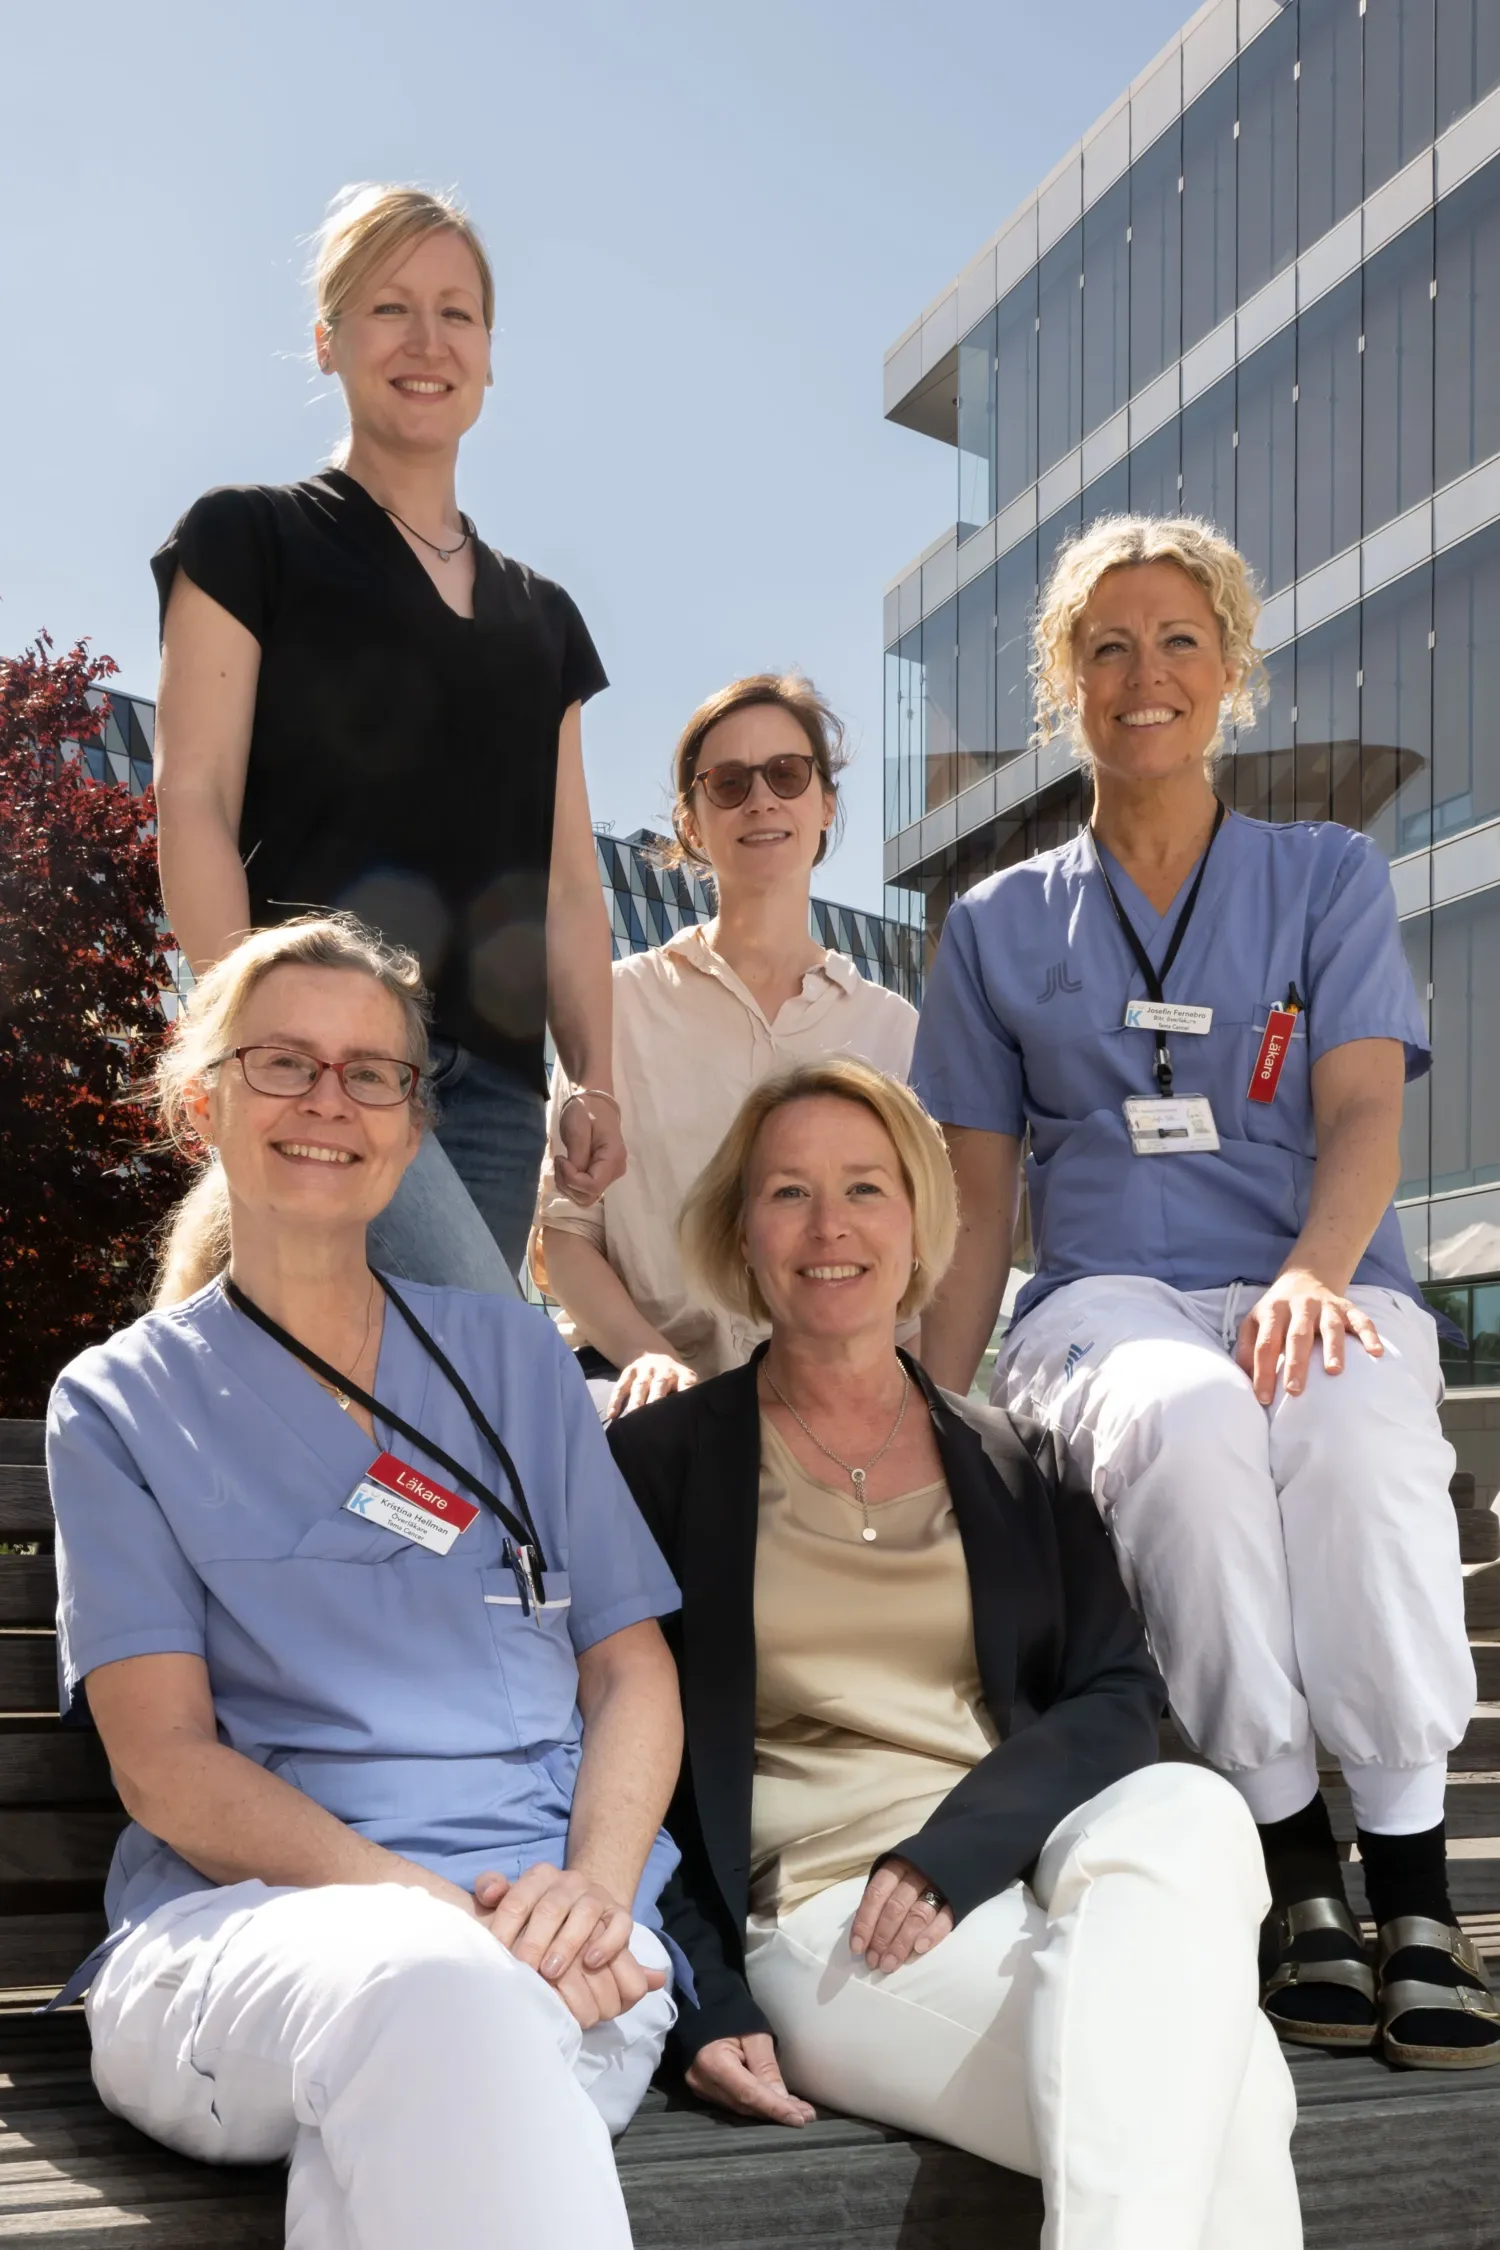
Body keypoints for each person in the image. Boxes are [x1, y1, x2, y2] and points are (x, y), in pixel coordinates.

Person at [913, 513, 1496, 2072]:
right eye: (1107, 646)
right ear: (1066, 686)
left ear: (1230, 673)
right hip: (1104, 1294)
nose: (1143, 673)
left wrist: (1315, 1269)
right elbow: (975, 1213)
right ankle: (1296, 1863)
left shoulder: (1328, 875)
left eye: (1178, 641)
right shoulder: (994, 924)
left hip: (1316, 1270)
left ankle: (1418, 1879)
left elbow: (1367, 1109)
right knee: (1182, 1425)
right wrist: (923, 1415)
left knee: (1364, 1443)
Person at [46, 914, 684, 2250]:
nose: (327, 1101)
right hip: (253, 1945)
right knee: (437, 1991)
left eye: (369, 1072)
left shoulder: (514, 1360)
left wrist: (597, 1888)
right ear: (203, 1099)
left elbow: (631, 1666)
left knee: (433, 2085)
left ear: (408, 1126)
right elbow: (166, 1767)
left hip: (565, 1949)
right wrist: (433, 1905)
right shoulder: (119, 1404)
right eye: (283, 1061)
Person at [608, 1059, 1300, 2250]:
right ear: (741, 1229)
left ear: (922, 1219)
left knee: (1188, 1806)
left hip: (1017, 1868)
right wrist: (698, 1997)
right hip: (832, 1928)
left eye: (866, 1188)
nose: (831, 1227)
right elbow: (620, 1762)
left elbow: (1119, 1693)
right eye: (788, 1194)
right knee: (1234, 2093)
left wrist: (951, 1856)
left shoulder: (1016, 1460)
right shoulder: (659, 1468)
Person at [151, 183, 623, 1292]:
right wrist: (251, 1052)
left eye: (456, 313)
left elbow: (564, 879)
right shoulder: (248, 540)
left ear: (490, 354)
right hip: (326, 1063)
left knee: (401, 1416)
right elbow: (194, 800)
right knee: (479, 1361)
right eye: (388, 308)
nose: (427, 341)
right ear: (329, 340)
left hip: (500, 1099)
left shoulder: (544, 619)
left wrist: (590, 1076)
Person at [533, 673, 916, 1418]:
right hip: (641, 1397)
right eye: (730, 782)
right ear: (692, 822)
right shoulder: (612, 1006)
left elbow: (917, 1256)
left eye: (786, 773)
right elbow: (566, 1238)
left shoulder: (893, 1030)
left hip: (834, 1404)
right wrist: (655, 1361)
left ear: (826, 803)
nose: (762, 799)